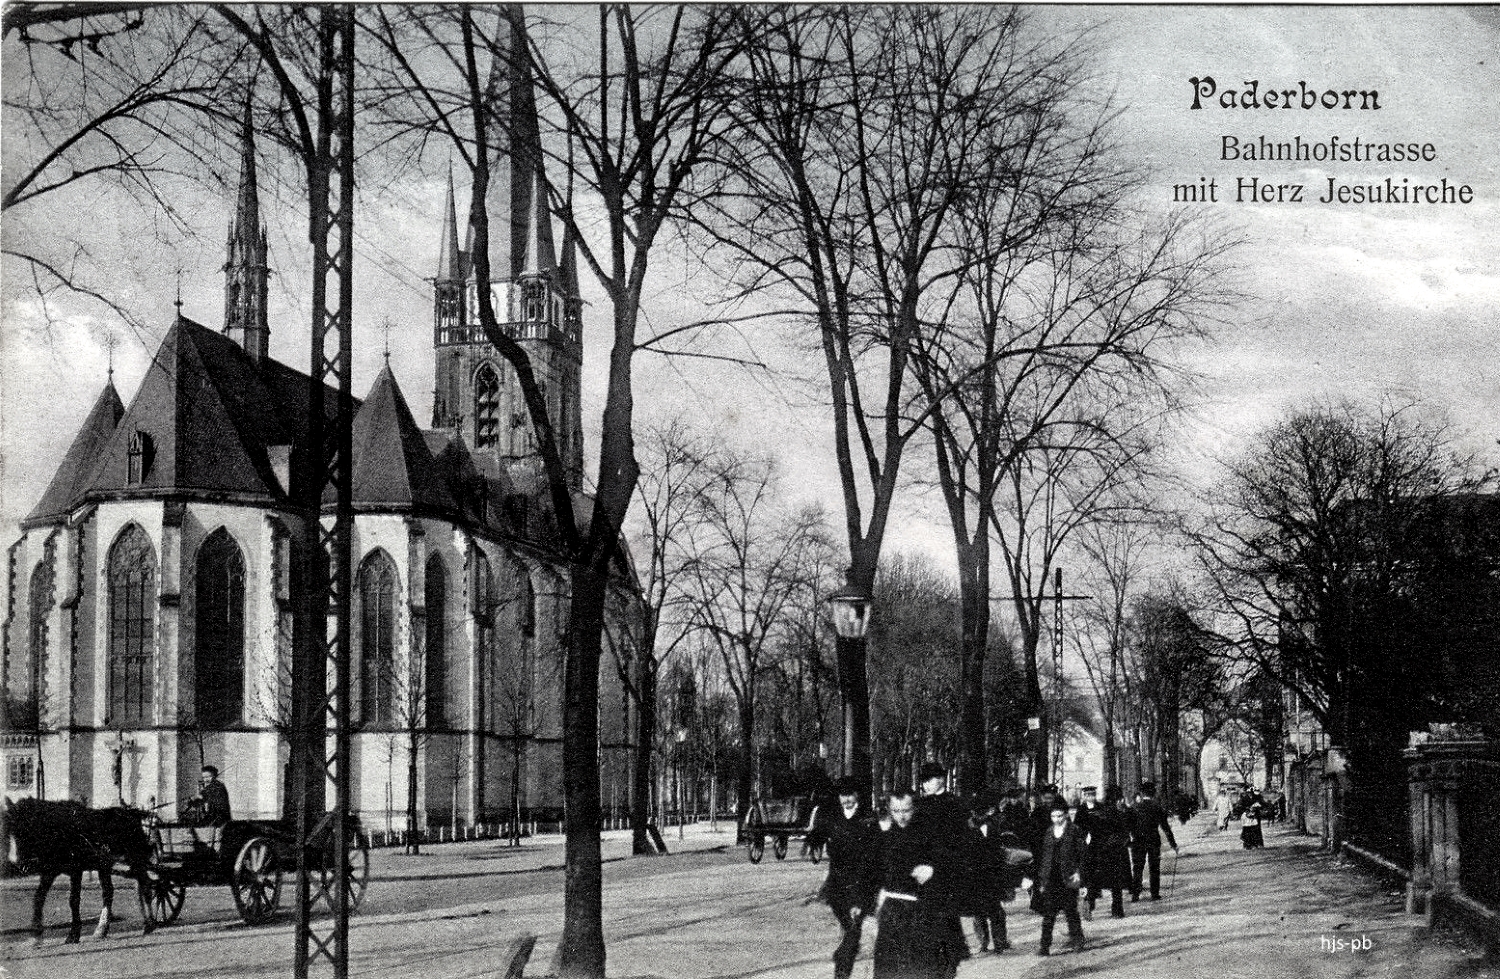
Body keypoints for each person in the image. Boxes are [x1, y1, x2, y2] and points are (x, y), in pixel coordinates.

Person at [873, 789, 946, 979]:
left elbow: (949, 863)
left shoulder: (928, 835)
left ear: (914, 808)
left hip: (920, 910)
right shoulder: (885, 837)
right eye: (896, 811)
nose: (901, 816)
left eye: (906, 810)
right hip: (891, 910)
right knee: (888, 968)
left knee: (921, 967)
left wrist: (932, 869)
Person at [819, 777, 882, 979]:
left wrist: (866, 891)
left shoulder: (868, 820)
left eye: (850, 795)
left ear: (857, 795)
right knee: (850, 929)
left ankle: (841, 969)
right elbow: (827, 845)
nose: (846, 800)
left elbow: (874, 856)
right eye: (842, 796)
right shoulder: (833, 818)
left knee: (853, 930)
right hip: (837, 885)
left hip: (862, 885)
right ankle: (843, 958)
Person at [911, 763, 969, 978]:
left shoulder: (954, 804)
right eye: (924, 781)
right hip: (923, 876)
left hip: (947, 874)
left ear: (941, 779)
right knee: (927, 923)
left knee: (947, 922)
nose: (926, 784)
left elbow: (960, 843)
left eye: (930, 779)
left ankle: (949, 966)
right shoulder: (919, 805)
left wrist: (938, 865)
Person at [1025, 796, 1086, 957]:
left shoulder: (1074, 830)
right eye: (1053, 816)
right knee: (1048, 915)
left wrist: (1080, 875)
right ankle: (1044, 946)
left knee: (1071, 912)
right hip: (1051, 878)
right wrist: (1041, 877)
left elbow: (1082, 855)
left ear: (1066, 815)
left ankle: (1077, 940)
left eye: (1059, 816)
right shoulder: (1048, 831)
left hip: (1069, 877)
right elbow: (1044, 856)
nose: (1056, 819)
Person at [1075, 785, 1131, 919]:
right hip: (1113, 851)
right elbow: (1124, 833)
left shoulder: (1100, 811)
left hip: (1096, 850)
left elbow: (1088, 832)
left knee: (1092, 878)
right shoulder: (1118, 814)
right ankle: (1117, 910)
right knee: (1115, 881)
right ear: (1118, 800)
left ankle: (1089, 903)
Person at [1128, 781, 1179, 901]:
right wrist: (1173, 844)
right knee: (1154, 868)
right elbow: (1166, 828)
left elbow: (1128, 826)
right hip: (1153, 841)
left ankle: (1135, 894)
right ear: (1154, 793)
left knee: (1137, 868)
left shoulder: (1134, 808)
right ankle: (1154, 894)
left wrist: (1129, 840)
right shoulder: (1157, 808)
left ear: (1142, 793)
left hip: (1138, 841)